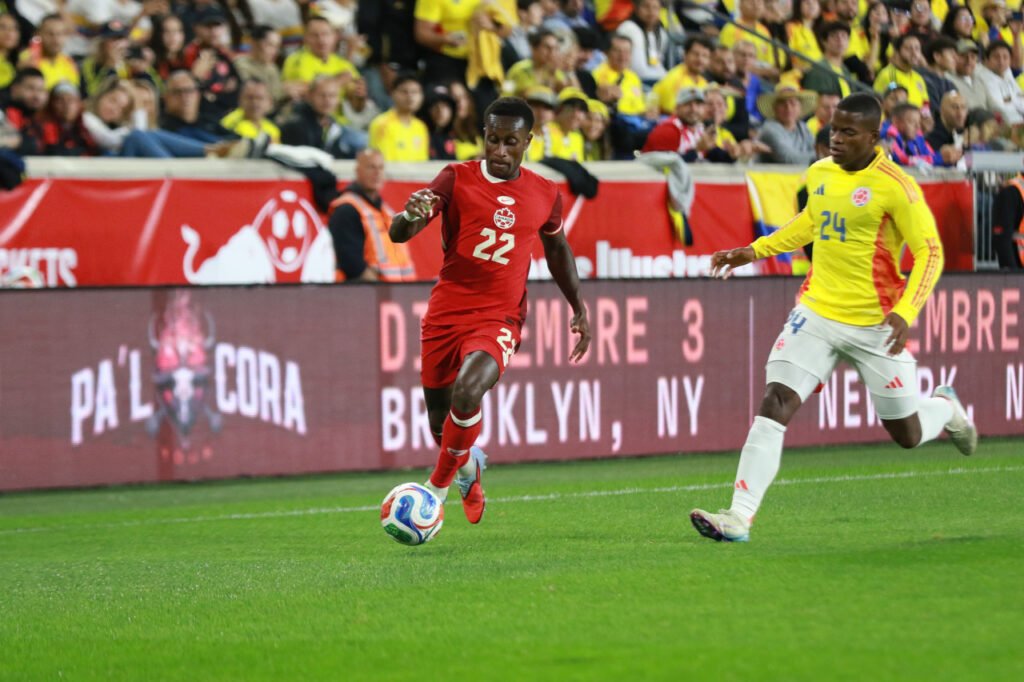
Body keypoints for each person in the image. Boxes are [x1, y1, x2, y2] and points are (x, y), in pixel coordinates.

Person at [690, 93, 977, 543]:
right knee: (775, 401)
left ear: (874, 136)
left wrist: (906, 310)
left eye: (848, 132)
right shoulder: (820, 172)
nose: (836, 140)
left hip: (875, 324)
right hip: (817, 311)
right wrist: (755, 250)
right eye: (832, 130)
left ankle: (946, 409)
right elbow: (811, 221)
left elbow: (930, 253)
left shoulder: (896, 186)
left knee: (906, 433)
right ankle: (738, 517)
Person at [388, 96, 591, 524]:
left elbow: (557, 249)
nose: (499, 150)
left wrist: (578, 306)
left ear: (528, 141)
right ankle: (468, 471)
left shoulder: (544, 192)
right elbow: (401, 231)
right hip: (446, 312)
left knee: (468, 391)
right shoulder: (456, 177)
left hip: (500, 316)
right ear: (483, 135)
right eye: (492, 139)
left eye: (510, 142)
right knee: (441, 424)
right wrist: (408, 215)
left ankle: (434, 493)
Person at [329, 149, 415, 282]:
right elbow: (353, 265)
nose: (377, 173)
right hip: (366, 292)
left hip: (396, 291)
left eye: (380, 168)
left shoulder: (386, 211)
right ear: (358, 171)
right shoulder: (347, 210)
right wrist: (381, 288)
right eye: (371, 167)